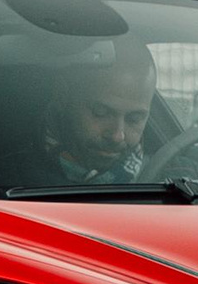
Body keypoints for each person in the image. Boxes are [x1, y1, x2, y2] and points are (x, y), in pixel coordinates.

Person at [33, 37, 158, 184]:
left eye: (134, 119)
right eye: (101, 112)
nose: (117, 136)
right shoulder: (10, 178)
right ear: (62, 96)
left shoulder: (171, 177)